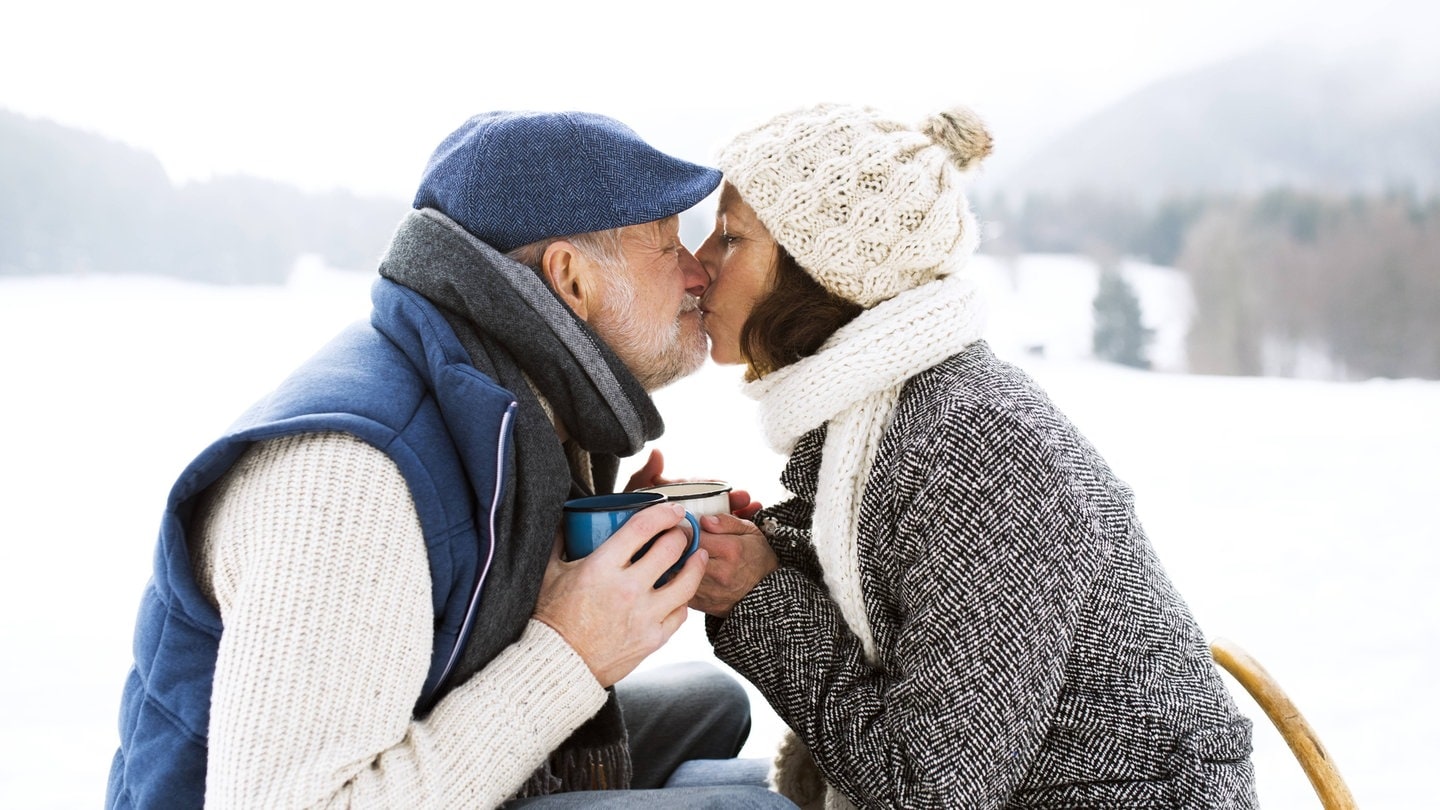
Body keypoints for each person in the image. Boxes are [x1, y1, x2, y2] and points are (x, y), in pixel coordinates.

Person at [105, 111, 792, 809]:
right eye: (666, 243)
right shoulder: (348, 479)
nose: (697, 272)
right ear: (570, 279)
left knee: (711, 705)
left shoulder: (515, 396)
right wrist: (569, 650)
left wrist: (588, 550)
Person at [688, 103, 1260, 808]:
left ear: (825, 269)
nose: (697, 267)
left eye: (730, 238)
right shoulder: (883, 419)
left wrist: (758, 594)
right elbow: (912, 596)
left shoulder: (979, 447)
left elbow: (932, 790)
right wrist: (770, 553)